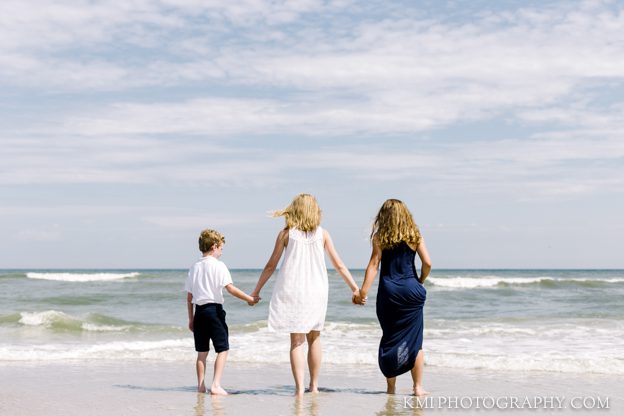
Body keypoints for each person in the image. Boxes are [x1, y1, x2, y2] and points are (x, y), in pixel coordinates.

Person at [251, 193, 360, 396]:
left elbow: (270, 266)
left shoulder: (286, 234)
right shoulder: (323, 234)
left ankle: (300, 389)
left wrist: (256, 291)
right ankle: (314, 386)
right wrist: (355, 288)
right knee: (315, 337)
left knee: (296, 341)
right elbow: (339, 265)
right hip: (316, 290)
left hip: (292, 289)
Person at [353, 199, 432, 396]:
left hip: (389, 293)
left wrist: (363, 292)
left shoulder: (380, 237)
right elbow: (428, 262)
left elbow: (373, 265)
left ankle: (391, 388)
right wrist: (419, 280)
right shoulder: (415, 236)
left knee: (390, 338)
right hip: (412, 291)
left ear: (384, 216)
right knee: (416, 341)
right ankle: (418, 387)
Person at [185, 228, 258, 395]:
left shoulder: (194, 267)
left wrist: (191, 319)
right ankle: (216, 385)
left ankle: (201, 386)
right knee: (222, 349)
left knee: (201, 352)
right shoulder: (219, 266)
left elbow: (189, 297)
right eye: (221, 248)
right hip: (214, 311)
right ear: (214, 246)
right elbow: (230, 289)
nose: (222, 252)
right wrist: (250, 299)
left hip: (199, 312)